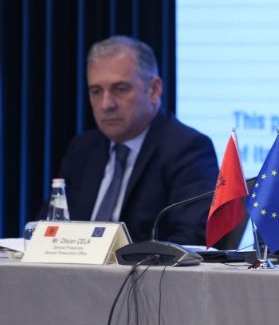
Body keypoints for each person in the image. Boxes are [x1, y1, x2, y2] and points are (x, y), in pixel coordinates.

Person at [58, 36, 218, 244]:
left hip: (144, 266)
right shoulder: (82, 149)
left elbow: (190, 240)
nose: (106, 104)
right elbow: (49, 225)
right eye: (96, 91)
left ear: (154, 90)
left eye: (120, 89)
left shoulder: (188, 149)